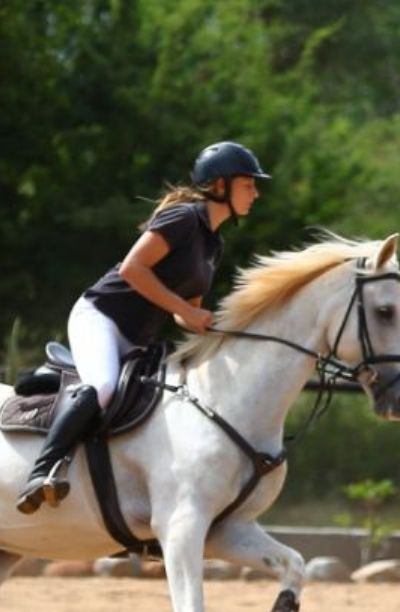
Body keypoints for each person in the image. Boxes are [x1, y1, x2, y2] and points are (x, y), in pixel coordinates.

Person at [16, 141, 271, 514]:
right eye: (248, 184)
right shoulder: (183, 218)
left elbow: (185, 312)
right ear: (219, 186)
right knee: (102, 387)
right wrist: (184, 308)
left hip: (137, 337)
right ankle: (41, 471)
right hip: (100, 316)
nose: (256, 192)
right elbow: (131, 270)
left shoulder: (213, 243)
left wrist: (210, 325)